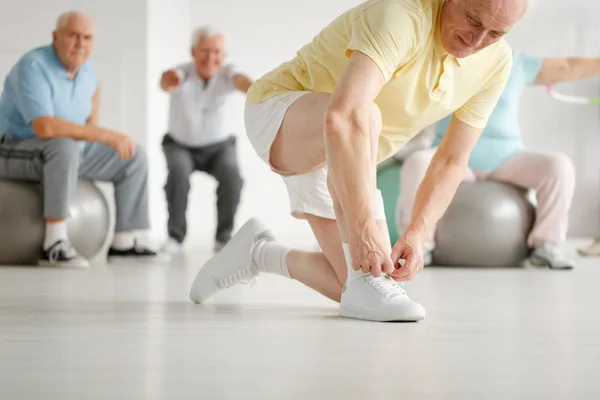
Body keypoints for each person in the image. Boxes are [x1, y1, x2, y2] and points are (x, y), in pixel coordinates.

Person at [189, 0, 530, 322]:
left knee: (363, 287)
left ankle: (259, 252)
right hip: (283, 111)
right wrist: (364, 229)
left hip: (350, 149)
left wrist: (417, 234)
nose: (478, 40)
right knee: (367, 116)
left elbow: (451, 160)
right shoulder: (402, 14)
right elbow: (344, 115)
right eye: (473, 19)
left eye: (496, 33)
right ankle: (306, 254)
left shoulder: (496, 62)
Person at [398, 51, 600, 269]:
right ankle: (419, 246)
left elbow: (569, 65)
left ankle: (546, 244)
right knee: (417, 163)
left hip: (506, 157)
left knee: (559, 166)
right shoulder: (441, 59)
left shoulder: (517, 62)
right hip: (450, 154)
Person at [0, 11, 156, 268]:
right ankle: (55, 244)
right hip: (12, 149)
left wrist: (99, 138)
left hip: (61, 155)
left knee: (132, 156)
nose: (80, 43)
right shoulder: (33, 66)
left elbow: (91, 111)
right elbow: (45, 127)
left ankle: (124, 244)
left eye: (87, 37)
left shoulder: (88, 70)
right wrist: (106, 135)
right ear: (55, 37)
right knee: (64, 147)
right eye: (73, 35)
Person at [159, 27, 253, 254]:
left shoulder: (229, 73)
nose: (210, 57)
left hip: (219, 147)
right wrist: (168, 81)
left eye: (216, 52)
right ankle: (175, 237)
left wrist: (255, 89)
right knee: (178, 175)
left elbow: (243, 82)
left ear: (224, 55)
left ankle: (223, 237)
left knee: (233, 177)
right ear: (193, 51)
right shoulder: (182, 72)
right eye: (204, 51)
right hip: (180, 145)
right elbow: (167, 83)